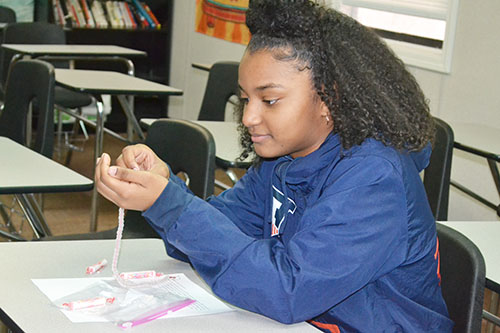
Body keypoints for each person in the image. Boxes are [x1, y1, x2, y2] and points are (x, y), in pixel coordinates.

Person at [95, 0, 453, 331]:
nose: (249, 116)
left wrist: (170, 205)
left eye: (269, 100)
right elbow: (212, 239)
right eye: (246, 98)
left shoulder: (374, 179)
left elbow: (286, 289)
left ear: (329, 98)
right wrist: (164, 189)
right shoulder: (281, 160)